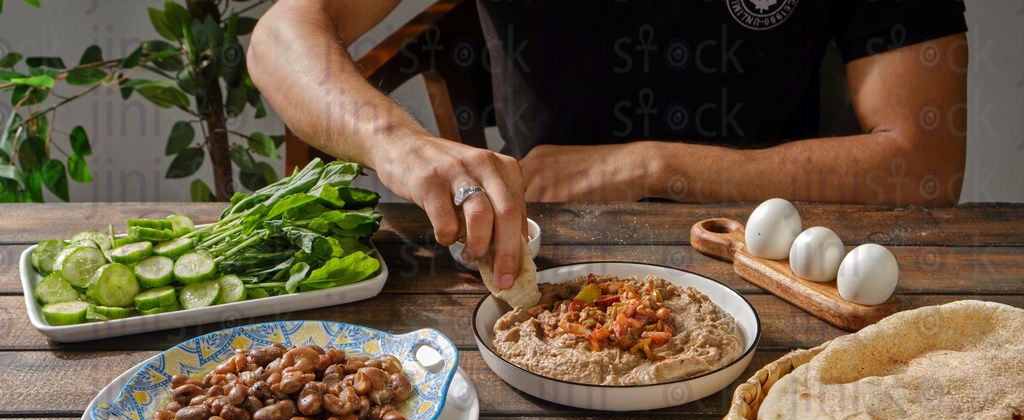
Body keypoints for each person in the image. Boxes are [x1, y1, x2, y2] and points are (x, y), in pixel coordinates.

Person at [248, 1, 968, 290]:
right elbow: (283, 35)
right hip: (543, 253)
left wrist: (652, 167)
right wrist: (399, 144)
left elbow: (927, 165)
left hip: (768, 257)